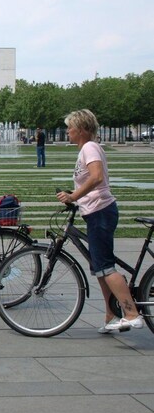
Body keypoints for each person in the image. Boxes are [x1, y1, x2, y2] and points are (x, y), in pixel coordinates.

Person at [56, 109, 143, 333]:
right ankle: (111, 316)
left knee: (105, 266)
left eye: (70, 127)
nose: (67, 131)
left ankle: (132, 314)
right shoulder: (87, 148)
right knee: (99, 267)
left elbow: (97, 177)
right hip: (95, 211)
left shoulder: (90, 147)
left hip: (101, 212)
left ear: (82, 130)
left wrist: (74, 196)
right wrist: (75, 197)